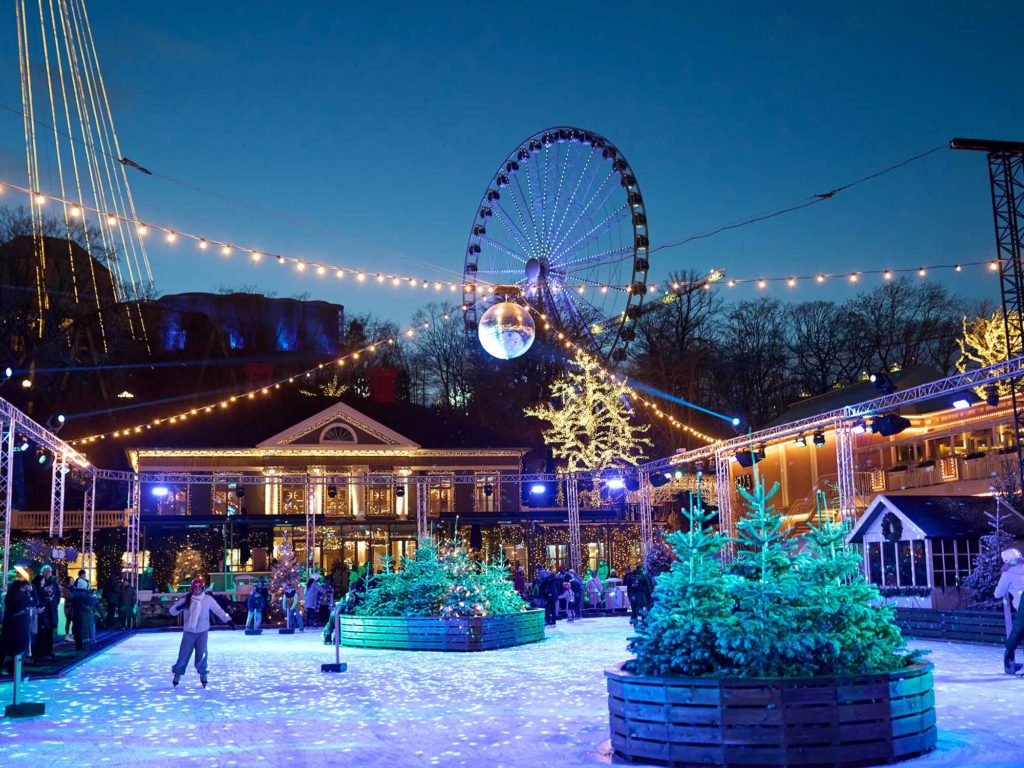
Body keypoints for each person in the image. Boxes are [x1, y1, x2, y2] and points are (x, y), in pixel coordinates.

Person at [168, 578, 235, 687]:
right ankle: (177, 673)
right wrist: (178, 607)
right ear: (192, 589)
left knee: (202, 654)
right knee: (184, 654)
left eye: (199, 588)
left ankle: (203, 674)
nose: (197, 590)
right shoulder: (186, 600)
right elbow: (172, 611)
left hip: (202, 632)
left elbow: (218, 610)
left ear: (203, 588)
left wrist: (228, 620)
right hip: (189, 632)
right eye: (195, 588)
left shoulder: (208, 599)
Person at [995, 547, 1024, 674]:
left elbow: (998, 593)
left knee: (1018, 632)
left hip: (1022, 607)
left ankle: (1009, 658)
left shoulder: (1008, 573)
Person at [0, 580, 33, 676]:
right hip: (20, 626)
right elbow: (34, 601)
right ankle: (15, 670)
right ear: (21, 587)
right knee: (19, 648)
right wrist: (31, 591)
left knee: (6, 647)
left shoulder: (7, 595)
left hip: (9, 625)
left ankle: (7, 667)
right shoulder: (22, 596)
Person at [32, 565, 59, 660]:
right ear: (42, 572)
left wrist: (53, 599)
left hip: (51, 610)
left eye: (50, 571)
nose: (48, 573)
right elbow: (37, 597)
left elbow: (57, 595)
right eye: (46, 571)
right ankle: (41, 653)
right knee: (42, 633)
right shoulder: (37, 583)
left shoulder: (53, 582)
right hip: (42, 611)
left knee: (50, 632)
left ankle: (48, 651)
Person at [70, 583, 97, 651]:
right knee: (84, 631)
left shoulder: (74, 593)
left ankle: (78, 646)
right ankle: (84, 647)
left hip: (76, 615)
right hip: (84, 616)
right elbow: (92, 602)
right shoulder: (85, 594)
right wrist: (94, 597)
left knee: (77, 630)